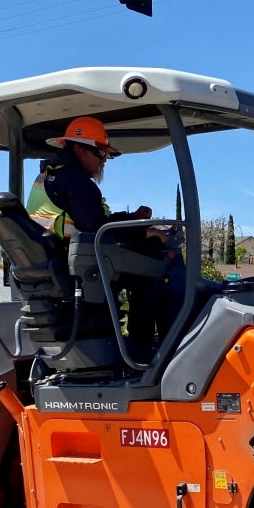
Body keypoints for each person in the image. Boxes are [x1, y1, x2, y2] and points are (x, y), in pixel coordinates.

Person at [42, 116, 183, 359]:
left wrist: (132, 217)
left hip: (67, 257)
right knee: (157, 266)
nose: (103, 161)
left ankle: (143, 347)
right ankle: (156, 349)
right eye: (100, 154)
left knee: (146, 260)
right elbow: (94, 227)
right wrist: (144, 231)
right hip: (83, 263)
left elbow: (88, 218)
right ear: (79, 149)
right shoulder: (76, 181)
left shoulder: (53, 175)